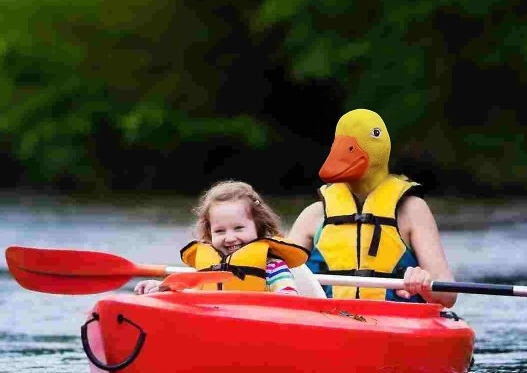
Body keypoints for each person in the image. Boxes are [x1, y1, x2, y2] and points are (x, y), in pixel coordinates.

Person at [286, 108, 457, 308]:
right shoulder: (314, 215)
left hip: (396, 321)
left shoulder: (412, 211)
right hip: (328, 319)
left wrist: (423, 282)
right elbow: (277, 277)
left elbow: (448, 295)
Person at [134, 180, 311, 295]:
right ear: (209, 232)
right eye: (220, 231)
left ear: (259, 226)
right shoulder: (207, 266)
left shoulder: (273, 266)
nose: (230, 238)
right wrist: (159, 288)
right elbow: (185, 291)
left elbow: (288, 296)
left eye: (239, 228)